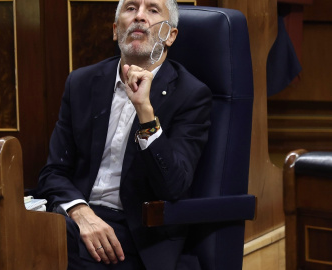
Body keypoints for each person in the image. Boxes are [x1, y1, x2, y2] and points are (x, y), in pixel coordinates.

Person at [35, 0, 211, 269]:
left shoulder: (191, 95)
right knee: (19, 235)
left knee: (39, 249)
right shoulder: (81, 83)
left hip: (137, 233)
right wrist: (80, 212)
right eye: (130, 8)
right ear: (116, 30)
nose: (139, 16)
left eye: (152, 10)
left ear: (170, 36)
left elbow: (173, 186)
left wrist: (145, 110)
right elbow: (54, 171)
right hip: (78, 218)